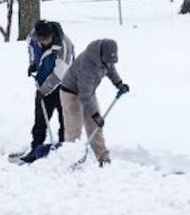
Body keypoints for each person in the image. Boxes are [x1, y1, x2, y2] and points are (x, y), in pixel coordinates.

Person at [60, 38, 129, 166]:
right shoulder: (87, 64)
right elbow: (84, 94)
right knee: (74, 128)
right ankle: (72, 159)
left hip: (88, 92)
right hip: (71, 92)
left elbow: (111, 70)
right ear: (101, 55)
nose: (109, 64)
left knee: (95, 126)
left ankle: (103, 157)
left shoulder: (105, 59)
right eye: (107, 61)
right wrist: (95, 115)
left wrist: (119, 84)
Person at [20, 19, 75, 162]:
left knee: (65, 119)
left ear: (52, 34)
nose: (43, 42)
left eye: (46, 39)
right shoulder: (34, 37)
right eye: (40, 39)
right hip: (43, 82)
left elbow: (60, 73)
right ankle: (36, 148)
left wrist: (44, 90)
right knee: (40, 119)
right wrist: (32, 64)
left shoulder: (64, 46)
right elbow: (31, 48)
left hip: (65, 85)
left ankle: (64, 150)